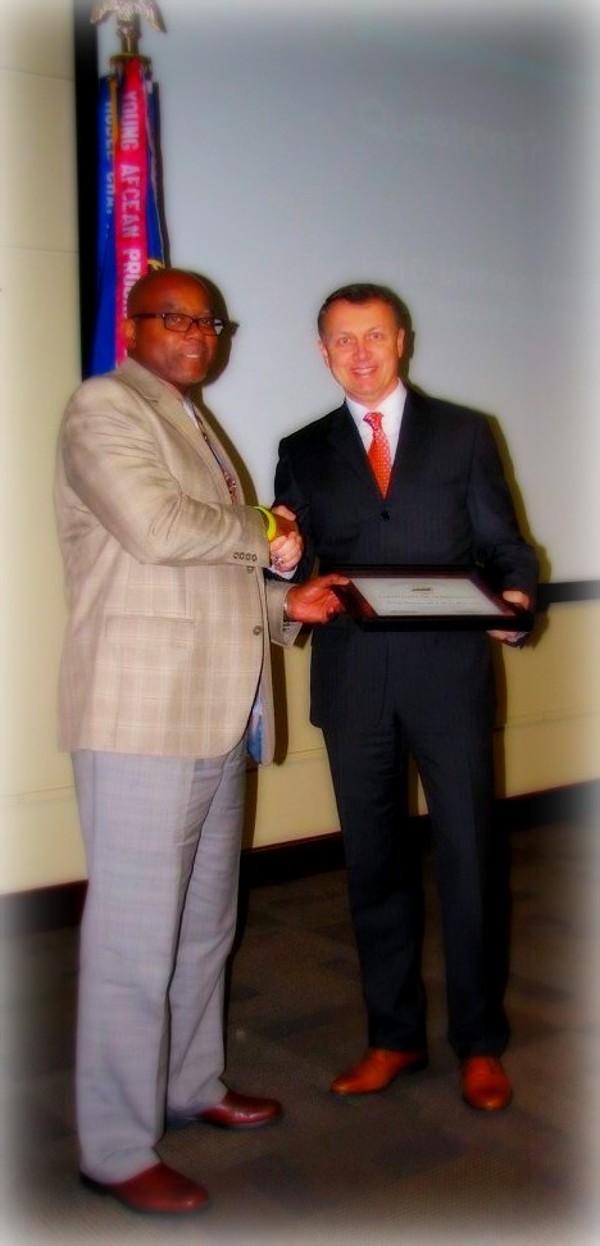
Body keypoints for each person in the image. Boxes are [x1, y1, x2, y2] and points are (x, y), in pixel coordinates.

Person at [54, 267, 346, 1216]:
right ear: (132, 327)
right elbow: (156, 528)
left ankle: (189, 1085)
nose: (193, 333)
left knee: (203, 928)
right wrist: (265, 529)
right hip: (143, 718)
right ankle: (113, 1144)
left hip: (221, 713)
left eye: (207, 321)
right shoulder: (105, 408)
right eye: (171, 317)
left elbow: (216, 572)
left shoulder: (196, 425)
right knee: (135, 941)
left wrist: (285, 603)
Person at [274, 282, 538, 1113]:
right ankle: (392, 1036)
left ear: (403, 341)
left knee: (469, 862)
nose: (360, 352)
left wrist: (519, 604)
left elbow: (507, 549)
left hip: (450, 679)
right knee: (373, 868)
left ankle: (480, 1043)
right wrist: (282, 562)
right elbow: (296, 559)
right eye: (342, 340)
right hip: (354, 687)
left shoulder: (465, 433)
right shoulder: (304, 447)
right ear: (323, 352)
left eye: (374, 336)